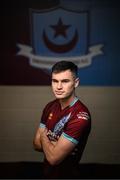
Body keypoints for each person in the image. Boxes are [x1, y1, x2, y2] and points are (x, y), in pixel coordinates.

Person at [33, 61, 91, 178]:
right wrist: (55, 146)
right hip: (47, 174)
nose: (58, 87)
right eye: (55, 81)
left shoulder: (80, 115)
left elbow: (54, 158)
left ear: (76, 83)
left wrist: (44, 137)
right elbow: (35, 144)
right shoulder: (50, 106)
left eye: (65, 81)